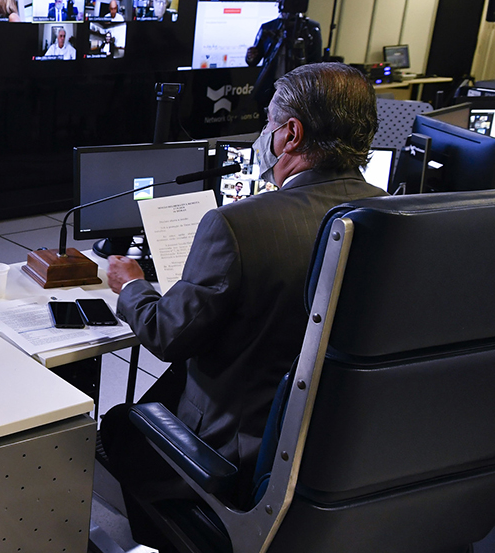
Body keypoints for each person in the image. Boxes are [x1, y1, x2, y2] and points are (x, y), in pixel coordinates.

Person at [99, 62, 386, 549]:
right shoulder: (390, 216)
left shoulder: (237, 224)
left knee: (123, 428)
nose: (264, 136)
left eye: (269, 123)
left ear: (290, 134)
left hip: (236, 453)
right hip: (341, 446)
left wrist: (132, 285)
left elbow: (167, 335)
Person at [246, 0, 323, 107]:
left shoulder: (311, 29)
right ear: (280, 0)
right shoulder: (269, 27)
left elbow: (316, 62)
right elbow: (253, 60)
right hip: (270, 88)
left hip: (298, 90)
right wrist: (250, 55)